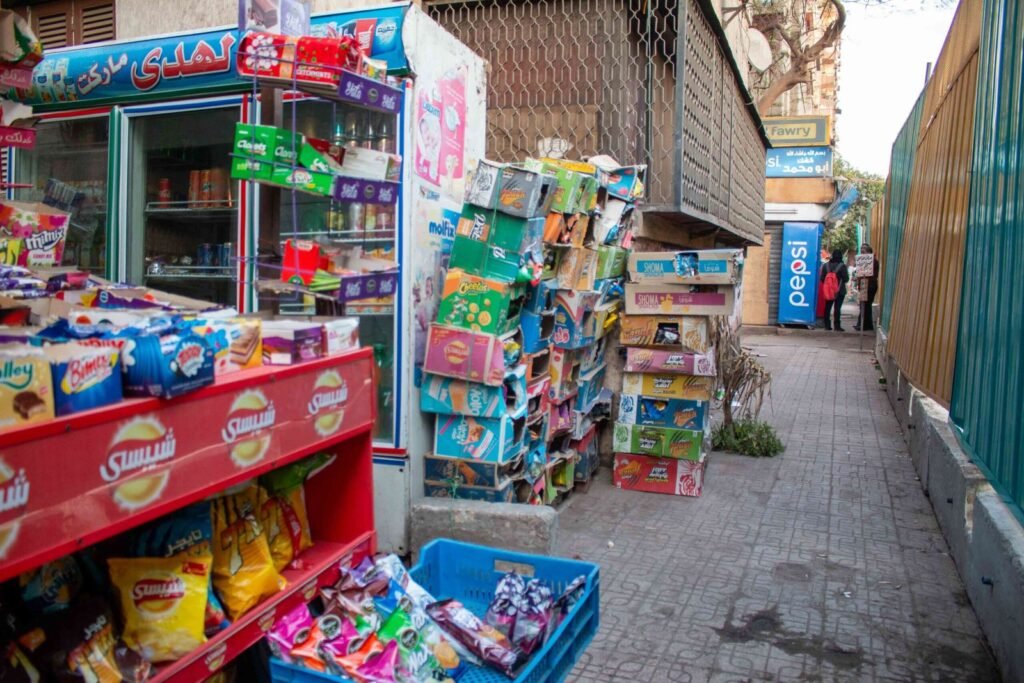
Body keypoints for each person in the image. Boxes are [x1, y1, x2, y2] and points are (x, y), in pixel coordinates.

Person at [820, 249, 849, 331]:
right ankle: (837, 326)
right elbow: (846, 279)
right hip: (840, 291)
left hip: (828, 291)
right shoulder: (842, 266)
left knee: (827, 307)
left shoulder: (826, 266)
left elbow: (822, 278)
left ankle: (827, 325)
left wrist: (829, 285)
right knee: (837, 308)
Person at [854, 244, 880, 331]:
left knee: (865, 304)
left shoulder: (872, 261)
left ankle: (863, 324)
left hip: (869, 285)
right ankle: (865, 324)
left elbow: (868, 273)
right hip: (865, 284)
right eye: (861, 252)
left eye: (863, 252)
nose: (861, 254)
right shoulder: (868, 261)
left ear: (868, 252)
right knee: (865, 305)